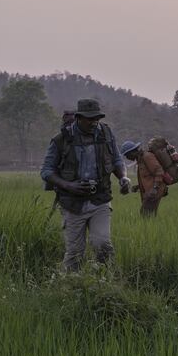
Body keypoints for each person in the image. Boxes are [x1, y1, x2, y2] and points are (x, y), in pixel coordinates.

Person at [41, 99, 131, 272]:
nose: (93, 122)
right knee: (75, 253)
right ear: (78, 118)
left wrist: (123, 178)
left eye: (96, 118)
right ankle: (69, 287)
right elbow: (46, 171)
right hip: (72, 203)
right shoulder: (61, 140)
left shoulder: (106, 133)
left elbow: (117, 160)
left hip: (100, 199)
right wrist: (68, 185)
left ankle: (108, 281)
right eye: (89, 119)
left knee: (103, 244)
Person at [121, 140, 168, 217]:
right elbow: (148, 178)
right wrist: (138, 187)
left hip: (154, 192)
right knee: (148, 216)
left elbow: (159, 171)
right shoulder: (140, 160)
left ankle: (150, 228)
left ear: (132, 152)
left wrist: (155, 189)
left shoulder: (147, 156)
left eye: (127, 155)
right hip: (150, 192)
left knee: (145, 215)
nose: (127, 157)